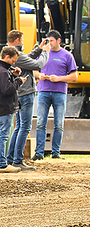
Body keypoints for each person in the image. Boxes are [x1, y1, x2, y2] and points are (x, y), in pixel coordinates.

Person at [6, 30, 50, 171]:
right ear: (17, 40)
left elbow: (27, 59)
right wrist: (45, 52)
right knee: (24, 127)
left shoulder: (12, 54)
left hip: (19, 94)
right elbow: (37, 65)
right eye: (22, 40)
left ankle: (11, 158)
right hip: (26, 93)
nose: (23, 43)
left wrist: (38, 49)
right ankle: (18, 159)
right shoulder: (16, 55)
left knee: (18, 127)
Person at [33, 30, 78, 160]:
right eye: (48, 40)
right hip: (43, 91)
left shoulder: (67, 56)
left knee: (59, 123)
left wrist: (59, 78)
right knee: (41, 122)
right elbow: (33, 69)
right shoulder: (42, 54)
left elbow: (74, 76)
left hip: (59, 92)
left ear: (59, 41)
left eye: (51, 40)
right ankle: (39, 153)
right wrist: (39, 75)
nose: (49, 43)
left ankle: (56, 152)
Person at [0, 46, 26, 173]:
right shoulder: (3, 72)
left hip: (2, 108)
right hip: (5, 109)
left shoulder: (4, 71)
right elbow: (7, 90)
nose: (14, 63)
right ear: (7, 57)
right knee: (3, 136)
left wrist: (13, 75)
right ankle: (2, 164)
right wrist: (19, 81)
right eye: (13, 61)